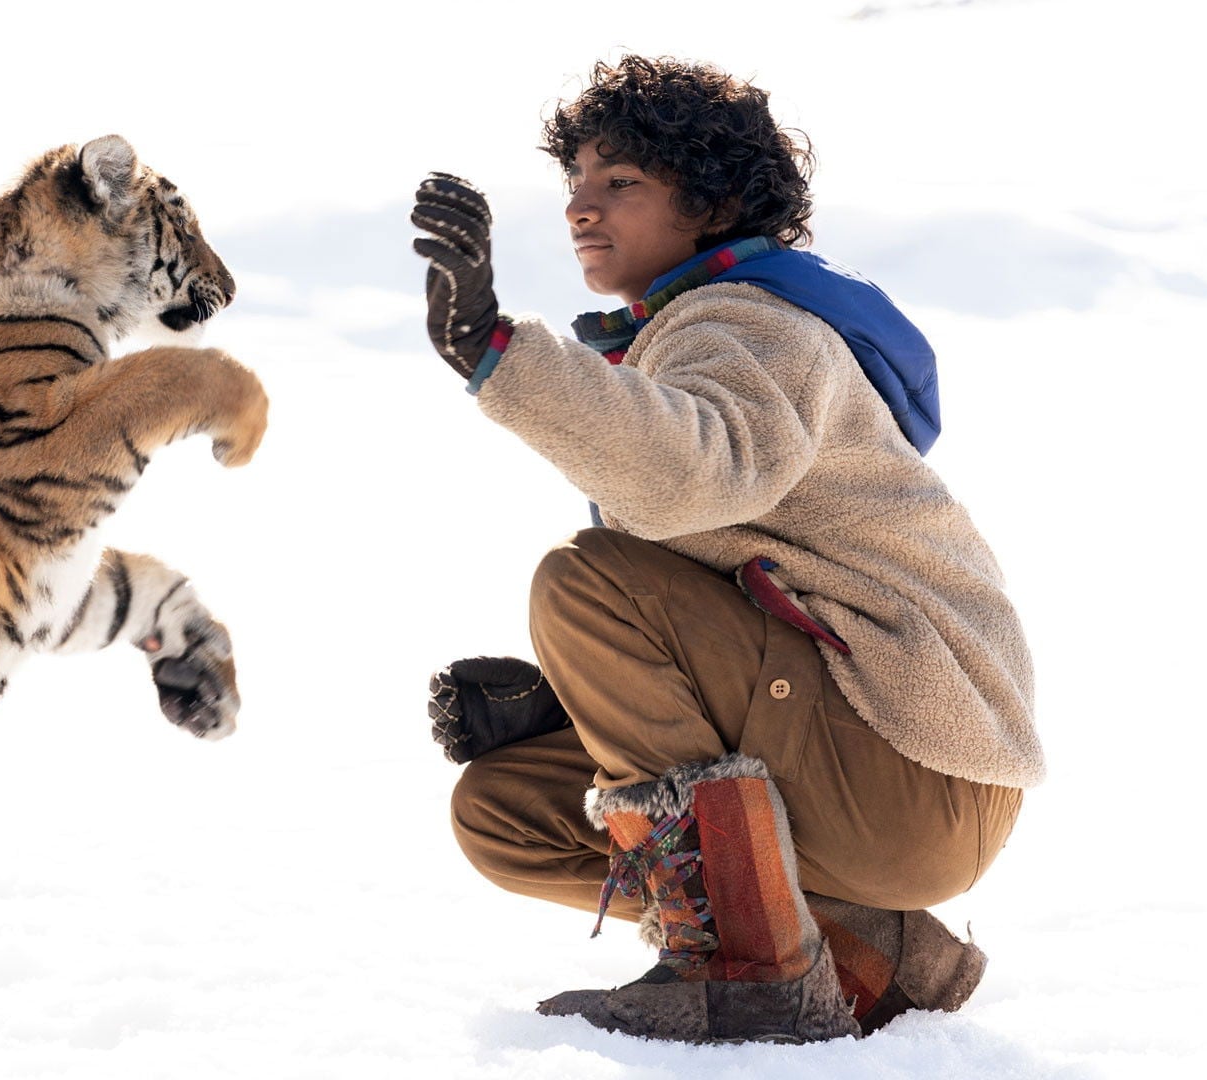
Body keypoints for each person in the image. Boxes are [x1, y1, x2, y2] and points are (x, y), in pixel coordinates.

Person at [411, 54, 1040, 1044]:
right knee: (503, 809)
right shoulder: (690, 331)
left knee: (586, 584)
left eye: (620, 183)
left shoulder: (755, 323)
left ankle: (751, 969)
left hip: (916, 764)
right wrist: (576, 706)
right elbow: (728, 575)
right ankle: (871, 948)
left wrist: (496, 350)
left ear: (713, 201)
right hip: (877, 773)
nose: (582, 209)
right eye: (575, 186)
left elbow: (690, 473)